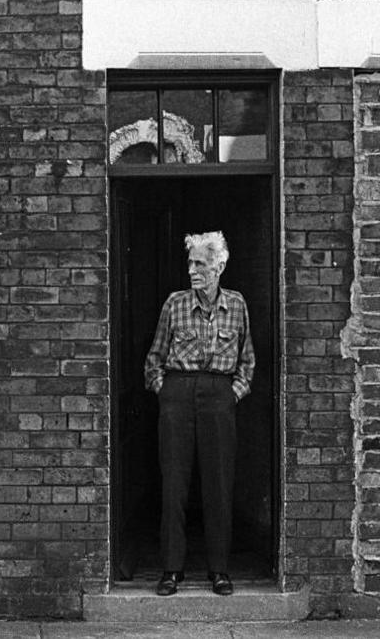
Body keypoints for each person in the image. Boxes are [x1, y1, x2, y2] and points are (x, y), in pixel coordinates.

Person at [144, 230, 255, 596]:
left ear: (219, 266)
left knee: (218, 483)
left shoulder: (237, 305)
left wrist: (232, 394)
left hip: (218, 396)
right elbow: (154, 359)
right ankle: (171, 570)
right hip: (178, 392)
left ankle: (219, 570)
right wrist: (165, 391)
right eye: (190, 262)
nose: (193, 270)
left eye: (200, 263)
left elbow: (247, 360)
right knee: (174, 483)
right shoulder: (174, 304)